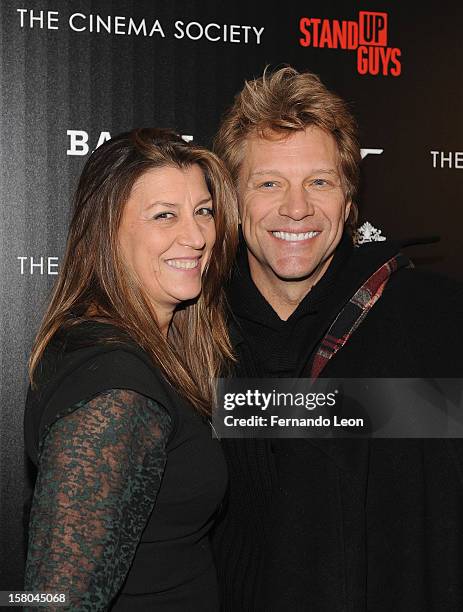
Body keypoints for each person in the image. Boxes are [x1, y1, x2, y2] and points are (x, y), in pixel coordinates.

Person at [211, 67, 463, 611]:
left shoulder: (429, 321)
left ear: (349, 202)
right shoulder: (191, 331)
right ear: (232, 200)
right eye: (269, 182)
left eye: (319, 182)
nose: (296, 207)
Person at [23, 128, 238, 611]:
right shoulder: (116, 388)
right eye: (165, 216)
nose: (198, 236)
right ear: (106, 232)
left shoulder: (142, 349)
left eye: (203, 211)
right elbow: (52, 600)